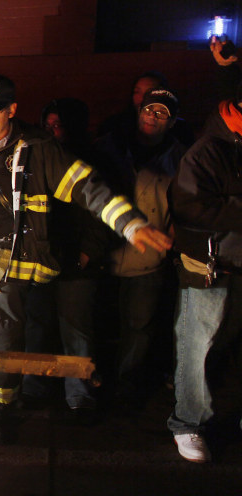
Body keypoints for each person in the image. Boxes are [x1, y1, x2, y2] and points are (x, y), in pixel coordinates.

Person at [0, 74, 173, 445]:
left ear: (12, 110)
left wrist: (129, 224)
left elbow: (87, 186)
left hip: (5, 263)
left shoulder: (37, 148)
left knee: (3, 340)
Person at [21, 98, 112, 424]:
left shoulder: (92, 161)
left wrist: (90, 251)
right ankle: (34, 385)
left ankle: (79, 394)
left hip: (77, 262)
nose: (53, 131)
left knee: (76, 329)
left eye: (59, 125)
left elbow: (104, 211)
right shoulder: (35, 158)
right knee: (36, 326)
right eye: (48, 125)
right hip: (42, 258)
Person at [94, 88, 185, 412]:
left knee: (139, 326)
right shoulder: (108, 147)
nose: (152, 116)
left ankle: (126, 387)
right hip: (104, 255)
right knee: (99, 323)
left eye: (161, 113)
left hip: (148, 260)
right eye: (149, 109)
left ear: (171, 121)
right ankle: (94, 380)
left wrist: (174, 236)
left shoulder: (179, 158)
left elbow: (184, 206)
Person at [167, 83, 242, 464]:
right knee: (196, 347)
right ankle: (187, 423)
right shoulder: (209, 150)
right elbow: (191, 208)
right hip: (210, 267)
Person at [97, 70, 194, 148]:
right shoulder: (113, 127)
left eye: (150, 92)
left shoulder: (180, 134)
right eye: (137, 92)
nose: (143, 98)